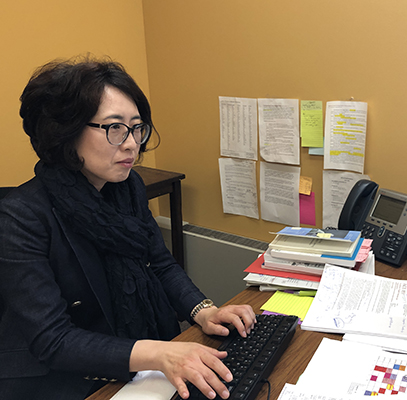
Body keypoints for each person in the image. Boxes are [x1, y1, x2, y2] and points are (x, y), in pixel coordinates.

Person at [0, 56, 256, 400]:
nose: (132, 143)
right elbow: (53, 339)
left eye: (136, 127)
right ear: (65, 131)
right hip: (61, 380)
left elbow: (159, 262)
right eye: (114, 127)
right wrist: (159, 353)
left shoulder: (127, 187)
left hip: (134, 364)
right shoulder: (21, 217)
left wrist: (204, 311)